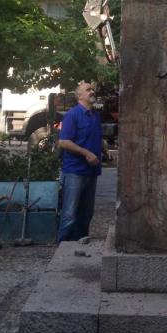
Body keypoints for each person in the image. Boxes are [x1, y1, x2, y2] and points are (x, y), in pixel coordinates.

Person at [57, 81, 102, 242]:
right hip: (75, 170)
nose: (92, 92)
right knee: (70, 212)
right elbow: (64, 142)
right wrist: (86, 153)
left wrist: (104, 150)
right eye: (88, 90)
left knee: (87, 212)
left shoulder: (95, 116)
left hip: (92, 171)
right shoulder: (72, 115)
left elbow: (96, 136)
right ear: (79, 96)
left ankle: (80, 243)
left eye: (93, 90)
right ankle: (62, 247)